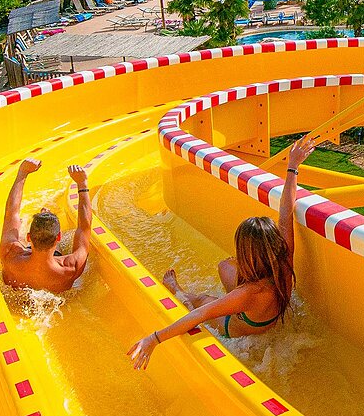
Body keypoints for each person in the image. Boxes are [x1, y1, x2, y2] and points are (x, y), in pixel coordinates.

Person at [127, 137, 315, 369]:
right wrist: (293, 166)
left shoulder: (248, 293)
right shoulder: (284, 263)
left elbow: (199, 316)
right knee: (225, 267)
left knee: (198, 300)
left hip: (232, 328)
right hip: (264, 316)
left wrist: (153, 339)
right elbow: (285, 213)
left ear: (246, 255)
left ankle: (176, 289)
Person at [0, 159, 93, 293]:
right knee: (54, 244)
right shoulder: (70, 267)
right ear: (59, 237)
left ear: (29, 237)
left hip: (23, 271)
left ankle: (41, 221)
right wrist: (82, 184)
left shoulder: (10, 256)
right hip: (54, 284)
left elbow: (11, 213)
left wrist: (22, 172)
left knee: (18, 229)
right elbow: (84, 227)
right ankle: (48, 220)